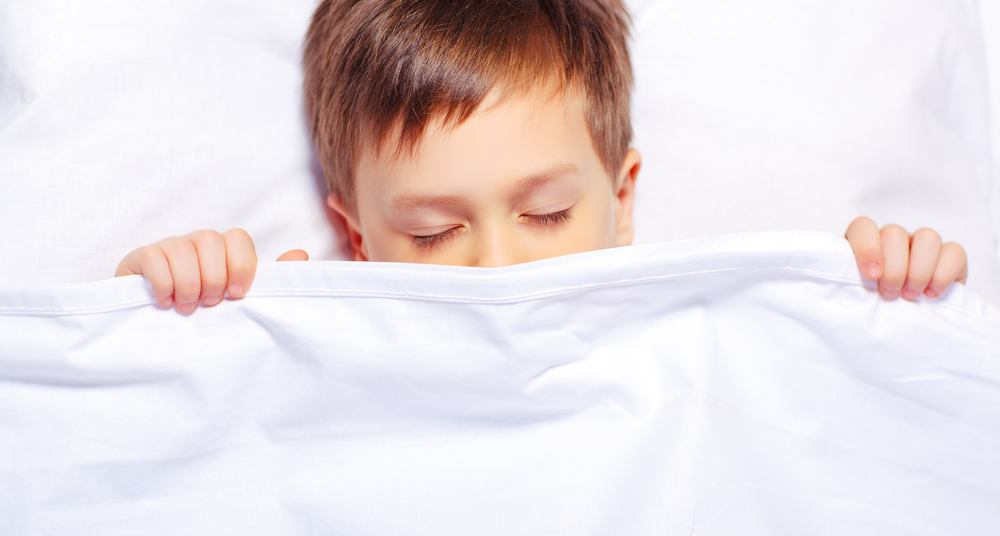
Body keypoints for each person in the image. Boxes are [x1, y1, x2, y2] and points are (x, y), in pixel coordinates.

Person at [115, 0, 968, 312]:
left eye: (548, 214)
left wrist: (883, 306)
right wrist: (171, 313)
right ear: (358, 237)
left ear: (621, 199)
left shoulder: (698, 326)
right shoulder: (314, 337)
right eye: (432, 231)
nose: (499, 266)